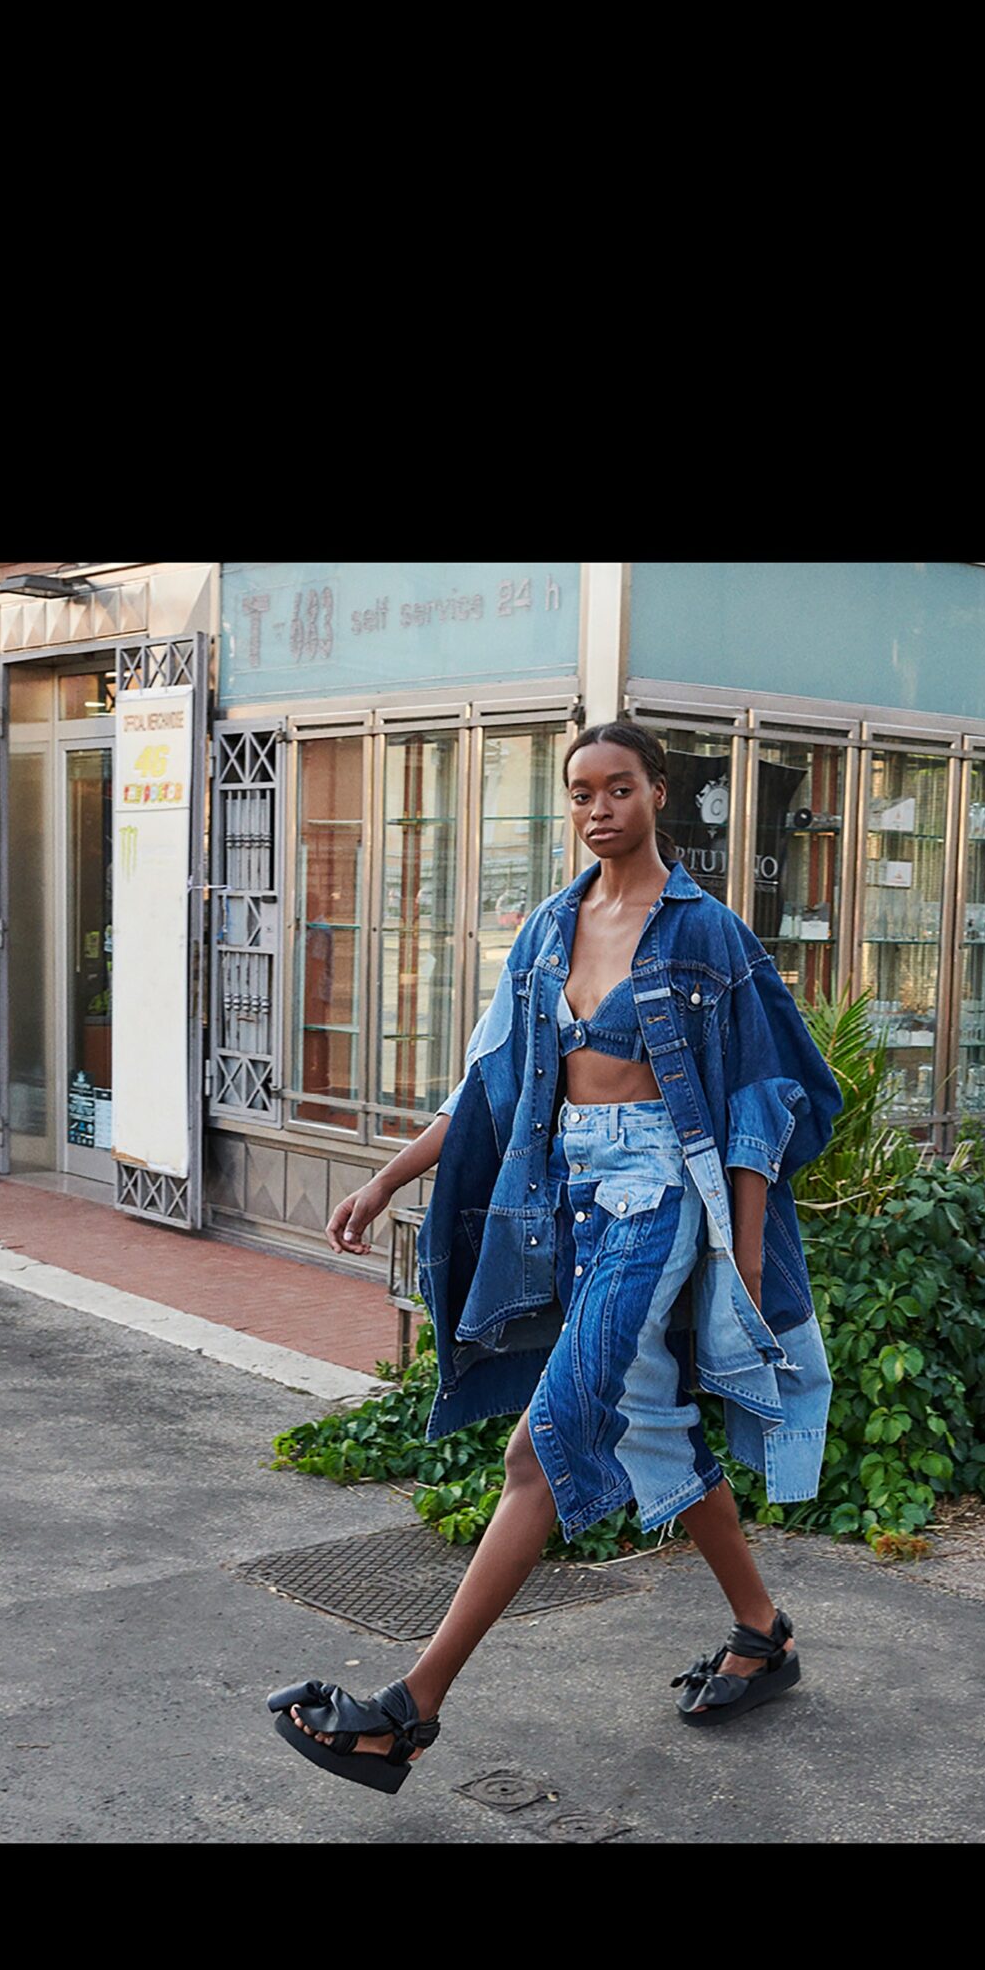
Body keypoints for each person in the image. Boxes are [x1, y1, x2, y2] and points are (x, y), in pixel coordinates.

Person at [267, 721, 842, 1794]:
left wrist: (748, 1260)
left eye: (618, 788)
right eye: (580, 792)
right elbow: (491, 1083)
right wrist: (386, 1180)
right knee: (651, 1418)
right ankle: (762, 1632)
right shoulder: (546, 928)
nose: (597, 809)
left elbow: (765, 1100)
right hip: (570, 1203)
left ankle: (409, 1711)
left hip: (659, 1198)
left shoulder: (706, 934)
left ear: (657, 792)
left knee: (537, 1451)